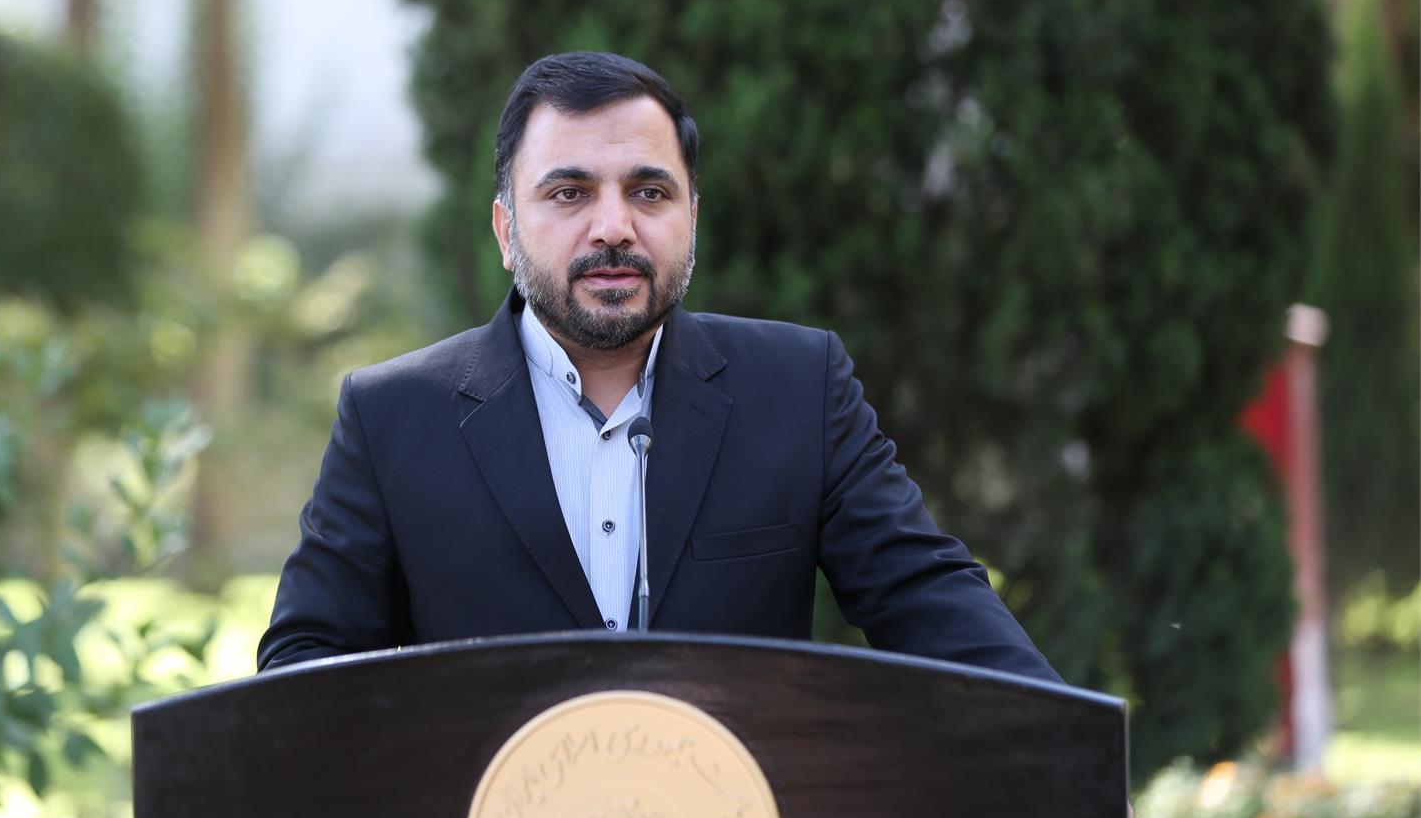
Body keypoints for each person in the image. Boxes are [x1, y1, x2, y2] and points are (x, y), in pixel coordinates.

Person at [257, 51, 1058, 685]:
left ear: (691, 218)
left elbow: (928, 600)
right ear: (506, 230)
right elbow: (305, 672)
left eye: (648, 192)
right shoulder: (394, 418)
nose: (614, 226)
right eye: (569, 194)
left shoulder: (798, 388)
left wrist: (1069, 758)